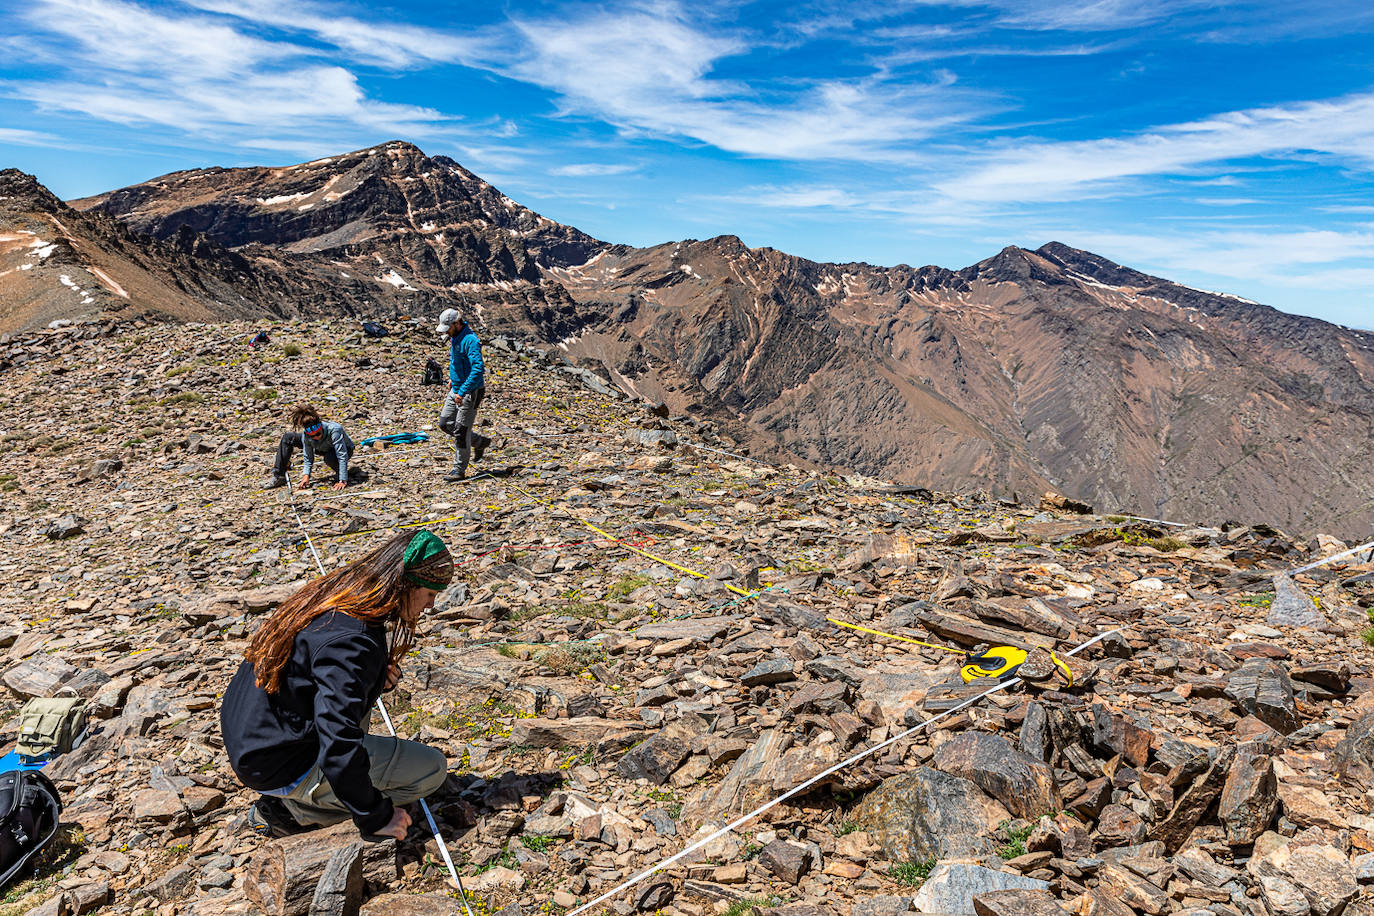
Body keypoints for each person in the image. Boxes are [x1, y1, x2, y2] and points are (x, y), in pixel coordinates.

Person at [220, 530, 454, 839]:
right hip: (279, 761)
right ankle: (292, 812)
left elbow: (320, 677)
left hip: (254, 738)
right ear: (405, 584)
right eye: (429, 595)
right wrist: (375, 815)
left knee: (356, 715)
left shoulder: (338, 595)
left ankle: (308, 793)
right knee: (432, 770)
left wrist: (371, 681)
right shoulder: (355, 640)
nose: (430, 606)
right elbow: (338, 742)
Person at [436, 308, 492, 481]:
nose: (446, 332)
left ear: (457, 323)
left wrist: (462, 390)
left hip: (470, 391)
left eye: (448, 327)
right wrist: (454, 379)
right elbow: (458, 362)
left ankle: (459, 470)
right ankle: (478, 442)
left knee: (461, 431)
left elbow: (478, 368)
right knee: (445, 423)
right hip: (457, 388)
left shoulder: (470, 340)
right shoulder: (455, 337)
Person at [265, 404, 356, 491]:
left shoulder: (334, 429)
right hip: (322, 447)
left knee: (329, 458)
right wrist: (306, 476)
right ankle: (279, 476)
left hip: (344, 449)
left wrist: (342, 480)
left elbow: (342, 455)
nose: (316, 437)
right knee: (288, 437)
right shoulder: (306, 435)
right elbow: (308, 456)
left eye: (318, 434)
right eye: (312, 436)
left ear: (320, 427)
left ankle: (341, 472)